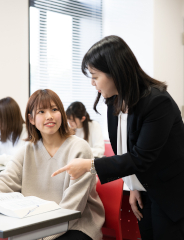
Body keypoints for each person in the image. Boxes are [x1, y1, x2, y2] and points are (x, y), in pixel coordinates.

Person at [52, 35, 184, 240]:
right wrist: (133, 187)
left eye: (95, 76)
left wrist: (90, 165)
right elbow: (126, 151)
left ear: (116, 72)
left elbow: (140, 157)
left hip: (169, 193)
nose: (92, 83)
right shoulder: (114, 102)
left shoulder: (157, 103)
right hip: (146, 189)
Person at [0, 89, 105, 240]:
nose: (49, 116)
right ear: (31, 119)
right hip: (35, 220)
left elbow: (73, 207)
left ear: (61, 114)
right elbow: (7, 178)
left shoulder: (79, 148)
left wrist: (42, 235)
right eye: (41, 111)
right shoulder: (27, 150)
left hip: (77, 224)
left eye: (54, 109)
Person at [0, 97, 27, 166]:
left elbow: (24, 160)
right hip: (1, 173)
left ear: (10, 117)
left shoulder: (27, 132)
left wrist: (1, 159)